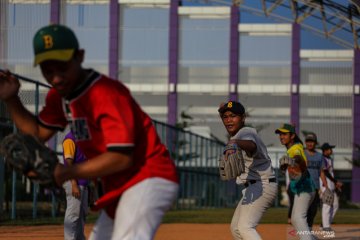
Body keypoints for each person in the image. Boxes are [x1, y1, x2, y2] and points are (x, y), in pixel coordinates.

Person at [0, 24, 179, 240]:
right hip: (117, 187)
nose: (56, 78)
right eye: (48, 70)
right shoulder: (59, 97)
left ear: (80, 56)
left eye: (62, 67)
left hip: (148, 176)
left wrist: (67, 173)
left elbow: (122, 157)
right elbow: (37, 132)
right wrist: (11, 99)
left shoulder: (105, 93)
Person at [218, 101, 278, 240]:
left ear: (243, 117)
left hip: (262, 185)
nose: (228, 120)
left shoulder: (246, 132)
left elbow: (251, 146)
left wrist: (236, 143)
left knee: (245, 227)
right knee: (236, 228)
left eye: (233, 116)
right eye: (225, 117)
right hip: (254, 187)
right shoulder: (238, 135)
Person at [275, 123, 316, 240]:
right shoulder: (294, 147)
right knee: (295, 218)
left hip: (305, 188)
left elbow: (299, 159)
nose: (281, 136)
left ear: (292, 136)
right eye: (280, 134)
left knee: (298, 218)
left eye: (284, 134)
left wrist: (293, 160)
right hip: (302, 188)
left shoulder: (295, 149)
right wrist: (286, 165)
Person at [62, 131, 89, 240]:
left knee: (82, 215)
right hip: (74, 182)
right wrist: (74, 183)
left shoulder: (83, 139)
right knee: (73, 214)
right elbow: (69, 163)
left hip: (83, 183)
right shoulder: (70, 139)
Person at [304, 133, 328, 230]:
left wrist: (326, 186)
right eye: (308, 141)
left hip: (315, 188)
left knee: (313, 211)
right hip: (303, 187)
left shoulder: (319, 156)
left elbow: (321, 172)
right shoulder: (302, 154)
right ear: (305, 143)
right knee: (303, 211)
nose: (310, 144)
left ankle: (308, 231)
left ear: (315, 143)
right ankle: (303, 232)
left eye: (312, 142)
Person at [320, 142, 343, 232]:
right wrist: (336, 181)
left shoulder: (330, 159)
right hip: (325, 185)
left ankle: (325, 224)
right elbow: (325, 173)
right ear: (325, 151)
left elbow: (331, 173)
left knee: (335, 205)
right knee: (327, 205)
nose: (331, 150)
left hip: (331, 185)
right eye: (329, 149)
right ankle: (326, 227)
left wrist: (335, 184)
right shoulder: (322, 159)